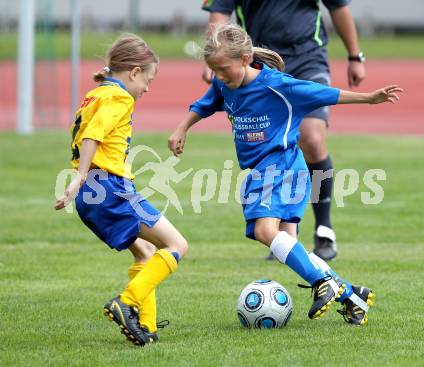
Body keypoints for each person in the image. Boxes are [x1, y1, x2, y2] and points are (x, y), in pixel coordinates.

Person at [169, 24, 401, 325]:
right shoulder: (223, 83)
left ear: (244, 58)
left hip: (279, 166)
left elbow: (324, 93)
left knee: (266, 232)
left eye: (224, 69)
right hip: (276, 170)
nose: (220, 76)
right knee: (287, 245)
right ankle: (351, 296)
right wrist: (182, 128)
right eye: (214, 70)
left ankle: (323, 283)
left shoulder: (278, 85)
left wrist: (368, 98)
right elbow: (204, 104)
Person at [201, 0, 366, 261]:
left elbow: (338, 7)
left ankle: (324, 229)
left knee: (311, 139)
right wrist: (216, 57)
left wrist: (355, 55)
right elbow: (219, 11)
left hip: (307, 58)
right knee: (272, 148)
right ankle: (284, 233)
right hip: (257, 68)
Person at [54, 34, 188, 346]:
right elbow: (93, 135)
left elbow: (88, 131)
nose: (148, 88)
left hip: (93, 196)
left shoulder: (96, 93)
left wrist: (81, 179)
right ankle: (126, 302)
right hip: (109, 187)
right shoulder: (120, 98)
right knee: (177, 244)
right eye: (148, 79)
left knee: (145, 251)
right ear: (134, 72)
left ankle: (146, 327)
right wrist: (80, 176)